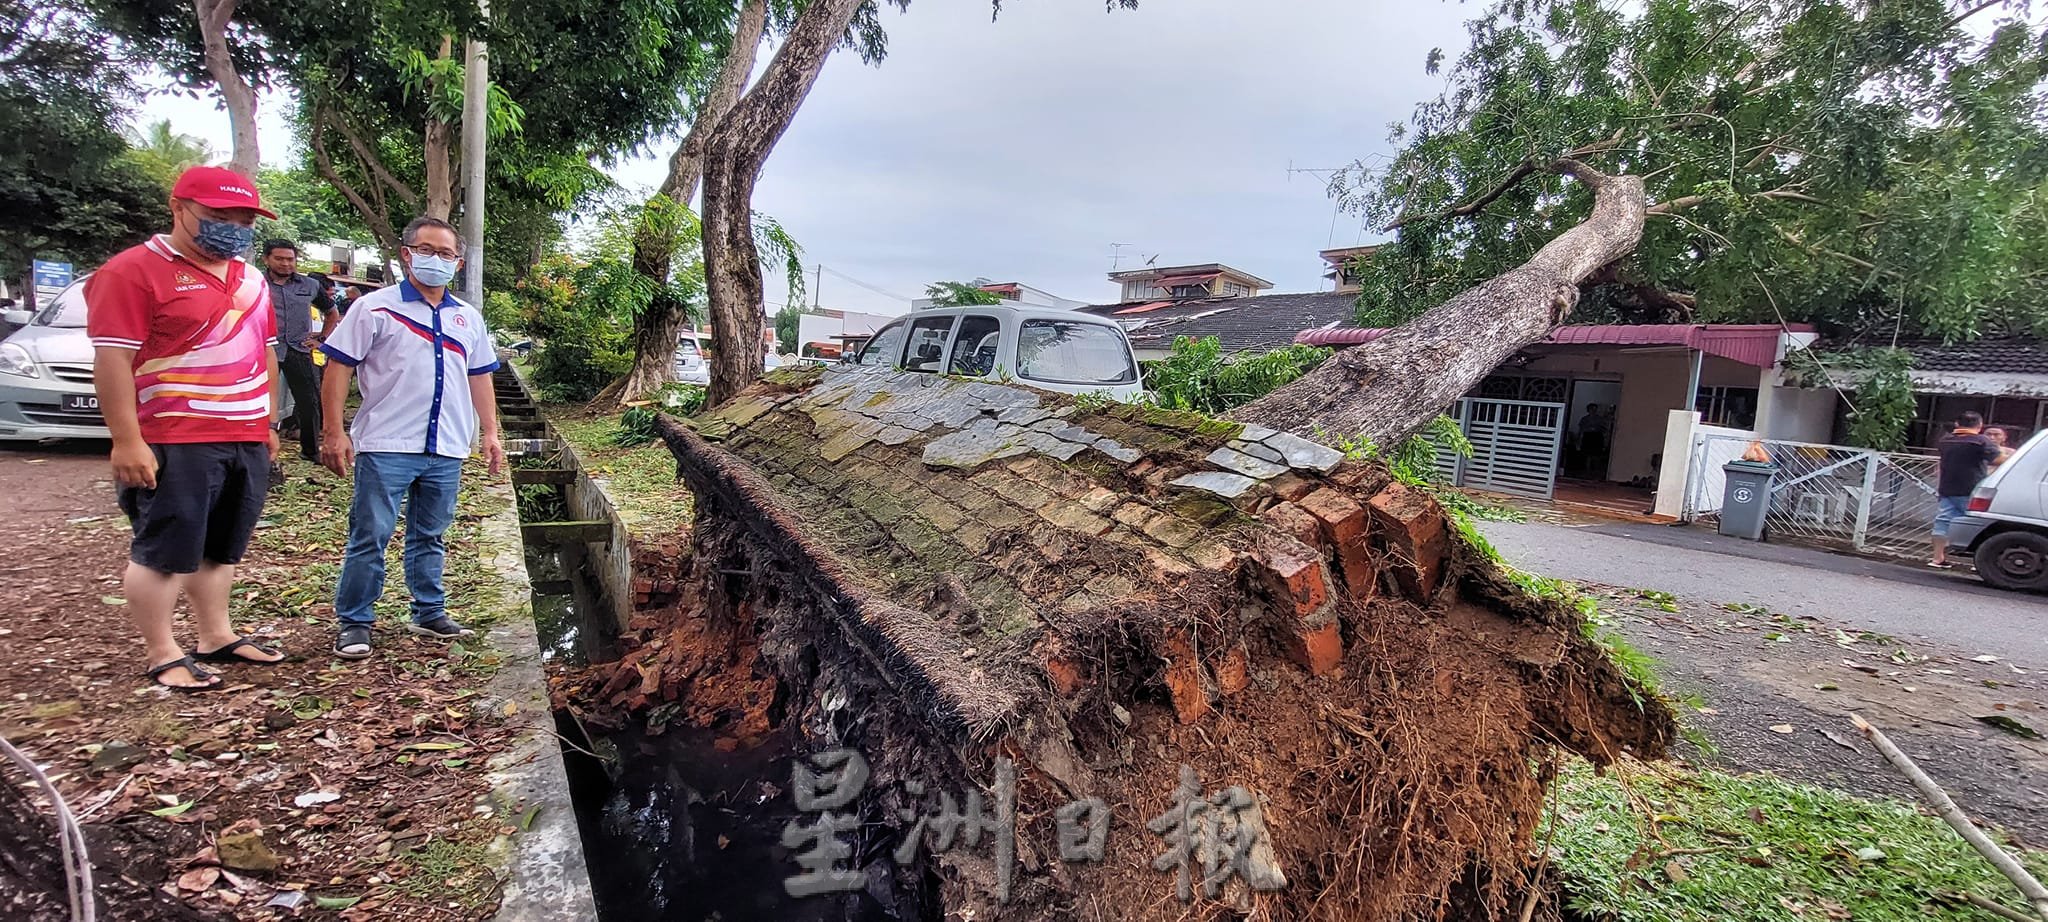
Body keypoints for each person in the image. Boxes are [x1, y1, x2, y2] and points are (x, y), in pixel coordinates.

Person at [85, 165, 288, 691]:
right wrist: (127, 439)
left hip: (243, 432)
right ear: (179, 209)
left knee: (222, 544)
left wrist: (266, 421)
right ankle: (161, 650)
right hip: (175, 434)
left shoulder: (251, 279)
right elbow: (111, 363)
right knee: (165, 549)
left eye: (244, 218)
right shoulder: (132, 272)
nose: (234, 227)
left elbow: (264, 354)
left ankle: (215, 635)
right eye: (220, 216)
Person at [319, 216, 505, 659]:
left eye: (445, 254)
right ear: (406, 254)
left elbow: (480, 377)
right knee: (371, 534)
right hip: (386, 444)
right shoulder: (374, 308)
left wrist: (490, 433)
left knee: (431, 534)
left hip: (446, 447)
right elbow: (339, 366)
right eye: (427, 250)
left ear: (457, 263)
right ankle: (356, 621)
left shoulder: (467, 318)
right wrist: (333, 432)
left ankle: (429, 611)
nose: (436, 260)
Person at [262, 240, 338, 463]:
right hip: (266, 350)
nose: (286, 264)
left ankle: (311, 448)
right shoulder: (255, 282)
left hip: (298, 349)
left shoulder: (310, 285)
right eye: (279, 259)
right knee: (262, 399)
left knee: (310, 400)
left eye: (290, 259)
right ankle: (261, 445)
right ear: (267, 259)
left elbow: (331, 312)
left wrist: (321, 338)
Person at [1930, 411, 2003, 569]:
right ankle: (1979, 563)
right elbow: (1998, 459)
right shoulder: (1980, 441)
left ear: (1957, 423)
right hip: (1972, 490)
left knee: (1942, 522)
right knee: (1979, 524)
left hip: (1947, 488)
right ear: (1980, 425)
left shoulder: (1946, 440)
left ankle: (1937, 558)